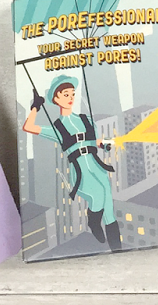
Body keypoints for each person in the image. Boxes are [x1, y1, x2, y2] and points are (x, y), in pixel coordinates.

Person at [23, 76, 122, 252]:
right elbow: (28, 127)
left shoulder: (86, 120)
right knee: (98, 195)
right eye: (65, 94)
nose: (70, 98)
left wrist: (104, 143)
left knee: (108, 207)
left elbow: (94, 141)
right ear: (56, 98)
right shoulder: (57, 128)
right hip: (81, 172)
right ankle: (93, 221)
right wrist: (35, 107)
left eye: (72, 94)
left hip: (97, 167)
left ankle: (117, 249)